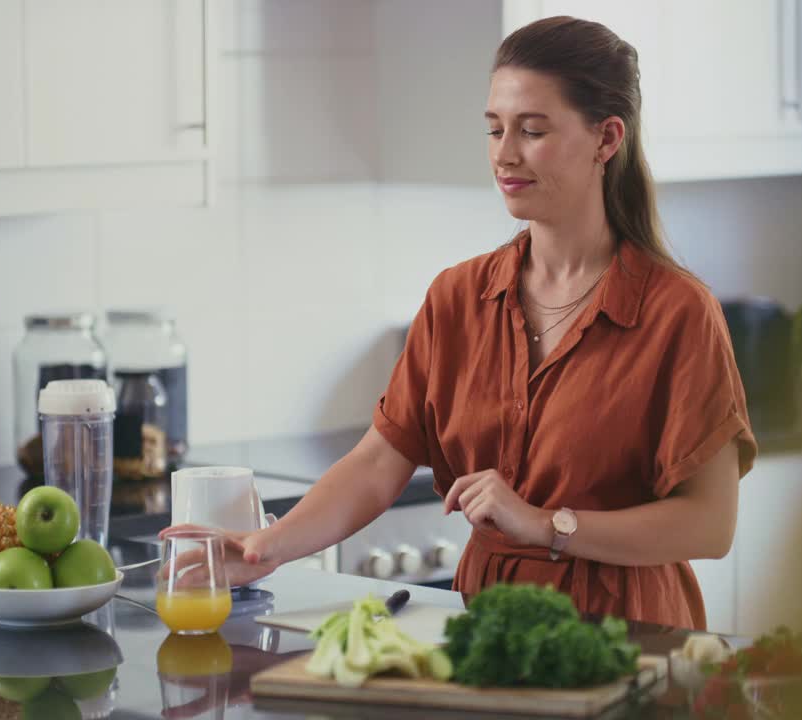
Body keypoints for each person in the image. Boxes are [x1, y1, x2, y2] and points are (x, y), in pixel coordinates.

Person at [164, 16, 757, 630]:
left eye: (533, 130)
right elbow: (375, 465)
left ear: (607, 139)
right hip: (483, 625)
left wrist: (545, 525)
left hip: (625, 634)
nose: (505, 153)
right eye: (495, 129)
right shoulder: (457, 297)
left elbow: (709, 525)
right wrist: (267, 548)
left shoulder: (677, 312)